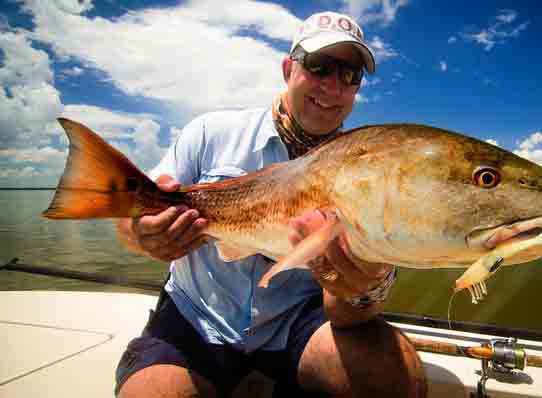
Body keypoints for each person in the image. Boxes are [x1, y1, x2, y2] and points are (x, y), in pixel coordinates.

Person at [114, 11, 427, 398]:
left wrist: (364, 288)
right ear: (287, 68)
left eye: (349, 75)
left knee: (395, 382)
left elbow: (347, 313)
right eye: (319, 66)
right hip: (194, 317)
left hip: (296, 321)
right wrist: (142, 235)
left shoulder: (368, 169)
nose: (333, 87)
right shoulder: (211, 133)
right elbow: (131, 214)